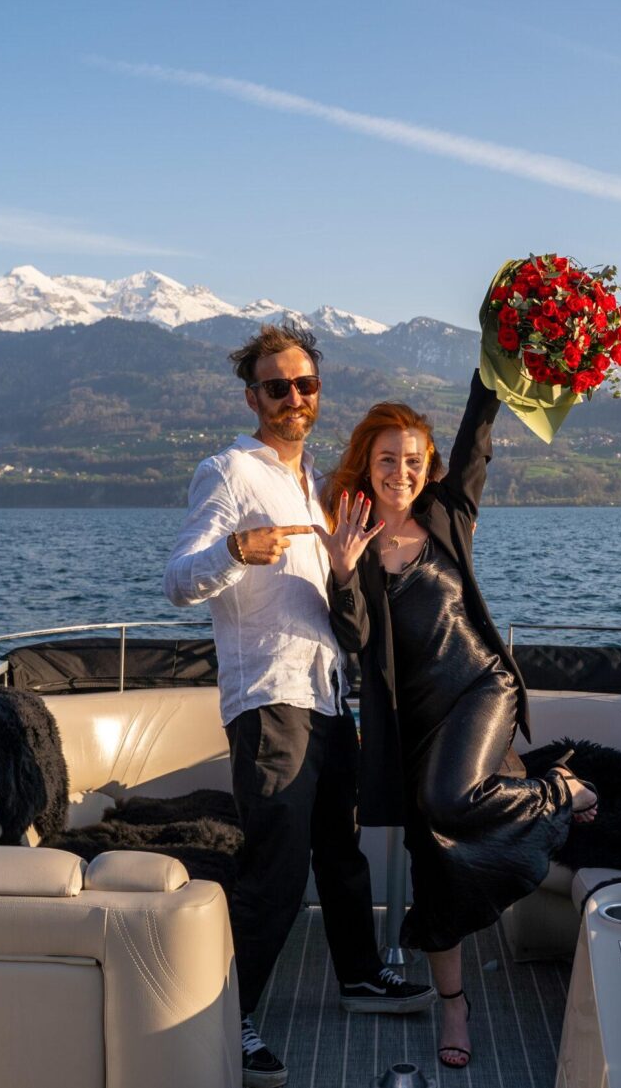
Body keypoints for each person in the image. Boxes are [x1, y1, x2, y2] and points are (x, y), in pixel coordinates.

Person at [163, 323, 435, 1088]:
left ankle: (357, 976)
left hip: (324, 698)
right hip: (268, 701)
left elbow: (334, 605)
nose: (293, 397)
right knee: (276, 873)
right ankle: (230, 1018)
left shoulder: (314, 484)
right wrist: (231, 553)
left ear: (317, 394)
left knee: (340, 856)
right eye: (277, 386)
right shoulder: (226, 472)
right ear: (252, 395)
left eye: (305, 385)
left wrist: (349, 567)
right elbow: (178, 578)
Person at [314, 367, 598, 1070]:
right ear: (366, 464)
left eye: (414, 460)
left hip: (481, 686)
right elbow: (352, 640)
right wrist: (344, 571)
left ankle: (561, 788)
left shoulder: (447, 512)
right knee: (434, 856)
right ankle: (454, 1006)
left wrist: (492, 357)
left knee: (447, 797)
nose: (402, 472)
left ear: (427, 465)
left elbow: (478, 430)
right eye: (388, 460)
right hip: (414, 726)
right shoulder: (351, 535)